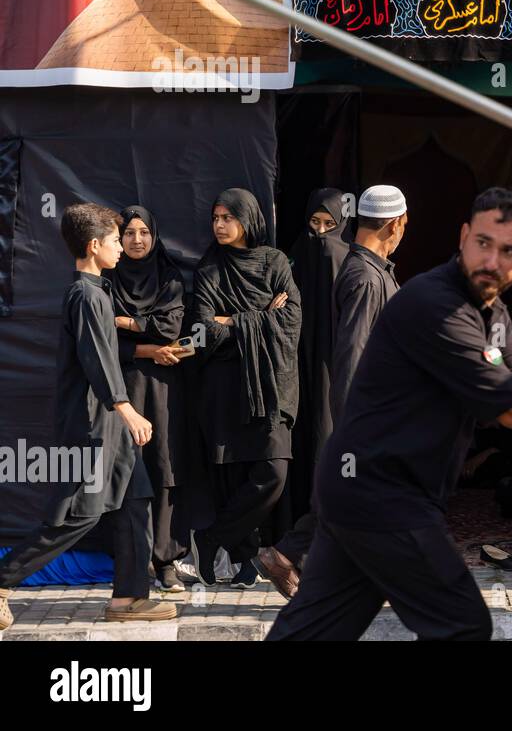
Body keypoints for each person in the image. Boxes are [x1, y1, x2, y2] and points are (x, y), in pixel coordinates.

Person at [266, 188, 512, 640]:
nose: (491, 260)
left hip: (360, 492)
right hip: (381, 491)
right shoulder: (438, 305)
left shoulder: (494, 313)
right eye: (482, 243)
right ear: (464, 236)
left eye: (507, 250)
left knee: (311, 632)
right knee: (462, 624)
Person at [0, 204, 177, 630]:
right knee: (79, 513)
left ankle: (129, 598)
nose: (123, 246)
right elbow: (97, 360)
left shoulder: (99, 292)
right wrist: (128, 409)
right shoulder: (85, 295)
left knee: (135, 501)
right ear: (95, 246)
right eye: (117, 240)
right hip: (92, 424)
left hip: (110, 423)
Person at [256, 186, 408, 598]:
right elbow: (354, 354)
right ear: (397, 224)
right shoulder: (363, 277)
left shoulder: (372, 271)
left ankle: (293, 556)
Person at [188, 189, 302, 588]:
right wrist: (257, 318)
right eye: (215, 218)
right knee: (234, 477)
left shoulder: (274, 262)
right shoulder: (209, 270)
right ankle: (245, 562)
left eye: (227, 218)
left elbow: (291, 320)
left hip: (270, 386)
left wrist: (233, 321)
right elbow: (202, 331)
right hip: (224, 390)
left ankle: (210, 538)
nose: (219, 225)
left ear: (247, 219)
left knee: (273, 472)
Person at [105, 205, 190, 593]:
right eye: (129, 233)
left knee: (163, 467)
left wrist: (125, 322)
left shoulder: (169, 277)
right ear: (118, 240)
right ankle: (132, 561)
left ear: (154, 236)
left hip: (164, 386)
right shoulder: (106, 279)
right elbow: (102, 338)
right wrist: (148, 347)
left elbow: (170, 325)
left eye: (144, 233)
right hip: (120, 387)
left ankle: (166, 559)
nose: (137, 240)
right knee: (127, 471)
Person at [287, 189, 350, 536]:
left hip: (332, 365)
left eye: (330, 224)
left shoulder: (345, 259)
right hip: (297, 364)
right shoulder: (297, 254)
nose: (322, 233)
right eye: (315, 222)